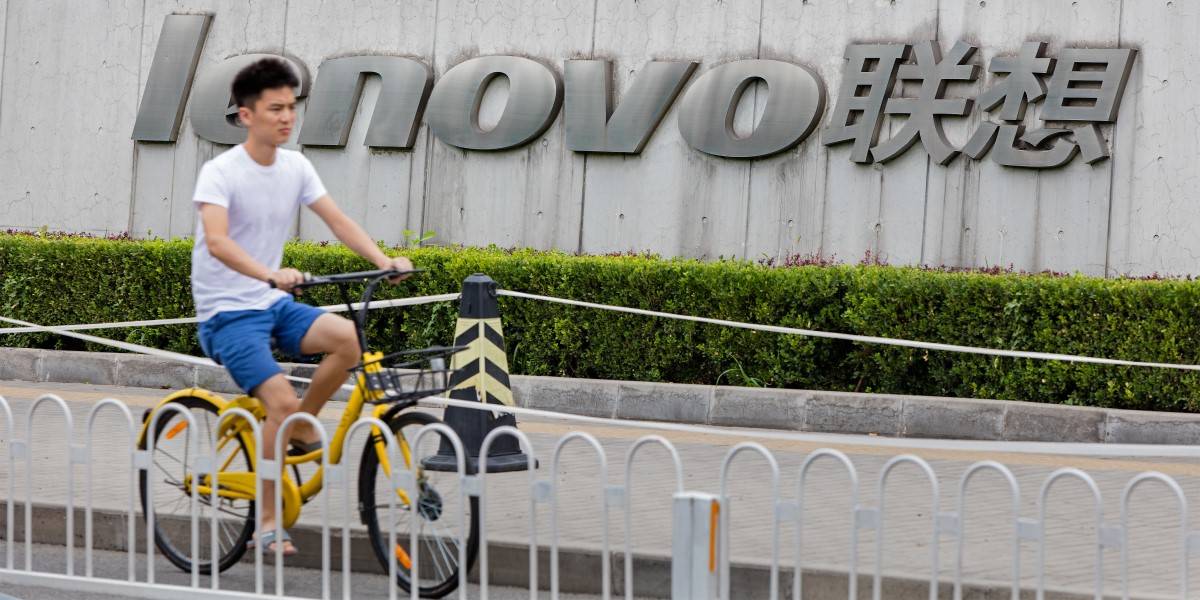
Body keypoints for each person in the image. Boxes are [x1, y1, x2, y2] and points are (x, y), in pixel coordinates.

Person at [190, 57, 411, 556]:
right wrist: (269, 274)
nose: (287, 117)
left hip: (271, 302)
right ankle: (268, 521)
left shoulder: (296, 167)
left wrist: (383, 261)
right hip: (226, 314)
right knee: (281, 404)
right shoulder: (221, 172)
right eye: (275, 109)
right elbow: (218, 242)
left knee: (348, 339)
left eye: (291, 107)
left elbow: (337, 220)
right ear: (246, 115)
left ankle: (299, 427)